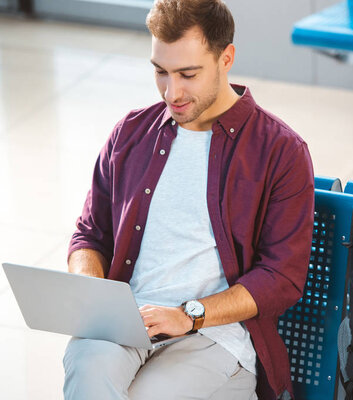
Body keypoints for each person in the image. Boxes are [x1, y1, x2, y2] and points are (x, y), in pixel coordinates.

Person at [63, 0, 314, 399]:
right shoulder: (130, 133)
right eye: (160, 72)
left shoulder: (281, 152)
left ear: (225, 58)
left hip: (216, 338)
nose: (171, 92)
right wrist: (92, 296)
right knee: (88, 366)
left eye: (188, 74)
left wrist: (189, 316)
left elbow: (282, 278)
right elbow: (90, 236)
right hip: (130, 320)